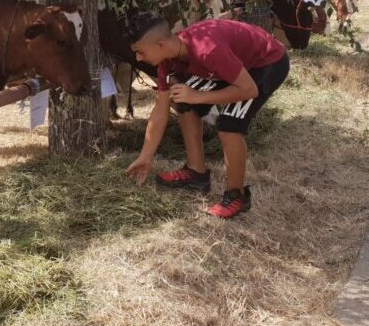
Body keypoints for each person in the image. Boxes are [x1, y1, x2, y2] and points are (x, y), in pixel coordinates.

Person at [124, 14, 290, 218]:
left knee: (229, 125)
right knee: (182, 99)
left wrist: (199, 96)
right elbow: (160, 109)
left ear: (160, 44)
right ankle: (196, 173)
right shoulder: (167, 62)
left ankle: (236, 196)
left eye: (140, 52)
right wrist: (145, 157)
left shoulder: (208, 50)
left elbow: (249, 90)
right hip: (231, 65)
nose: (138, 58)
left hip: (266, 63)